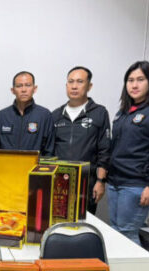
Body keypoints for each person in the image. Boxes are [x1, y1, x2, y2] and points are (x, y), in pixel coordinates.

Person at [107, 60, 149, 244]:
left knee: (126, 234)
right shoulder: (123, 112)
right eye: (130, 80)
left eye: (140, 79)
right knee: (116, 230)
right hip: (115, 181)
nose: (134, 85)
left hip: (137, 184)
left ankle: (134, 266)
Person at [51, 66, 111, 214]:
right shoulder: (55, 115)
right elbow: (49, 150)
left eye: (79, 81)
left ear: (89, 86)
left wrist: (100, 181)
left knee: (83, 223)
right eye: (71, 82)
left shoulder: (99, 113)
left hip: (87, 184)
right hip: (59, 183)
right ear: (66, 85)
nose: (74, 86)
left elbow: (105, 150)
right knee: (57, 222)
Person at [0, 71, 53, 155]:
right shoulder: (2, 116)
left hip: (35, 164)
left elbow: (49, 150)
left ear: (34, 89)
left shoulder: (45, 115)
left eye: (28, 85)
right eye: (19, 86)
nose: (24, 90)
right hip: (7, 163)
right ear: (13, 90)